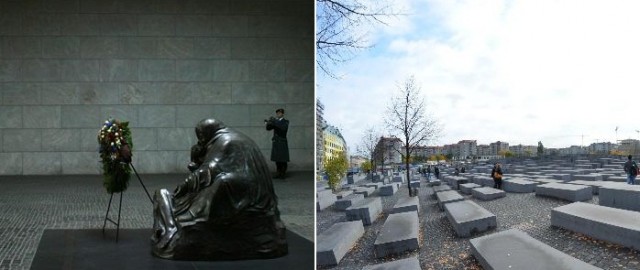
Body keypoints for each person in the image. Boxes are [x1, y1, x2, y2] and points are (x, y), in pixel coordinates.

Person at [151, 118, 287, 260]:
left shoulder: (225, 141)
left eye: (201, 137)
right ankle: (178, 221)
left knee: (221, 182)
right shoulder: (235, 137)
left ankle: (190, 217)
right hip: (251, 189)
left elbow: (209, 170)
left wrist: (184, 186)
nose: (201, 140)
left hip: (245, 191)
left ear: (206, 134)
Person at [265, 108, 290, 179]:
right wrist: (269, 122)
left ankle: (283, 173)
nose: (278, 114)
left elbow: (283, 129)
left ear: (282, 114)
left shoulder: (286, 121)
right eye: (277, 113)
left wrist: (274, 121)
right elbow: (268, 128)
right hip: (276, 142)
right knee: (277, 159)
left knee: (283, 159)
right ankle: (278, 172)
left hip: (282, 142)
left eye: (279, 113)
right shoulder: (275, 121)